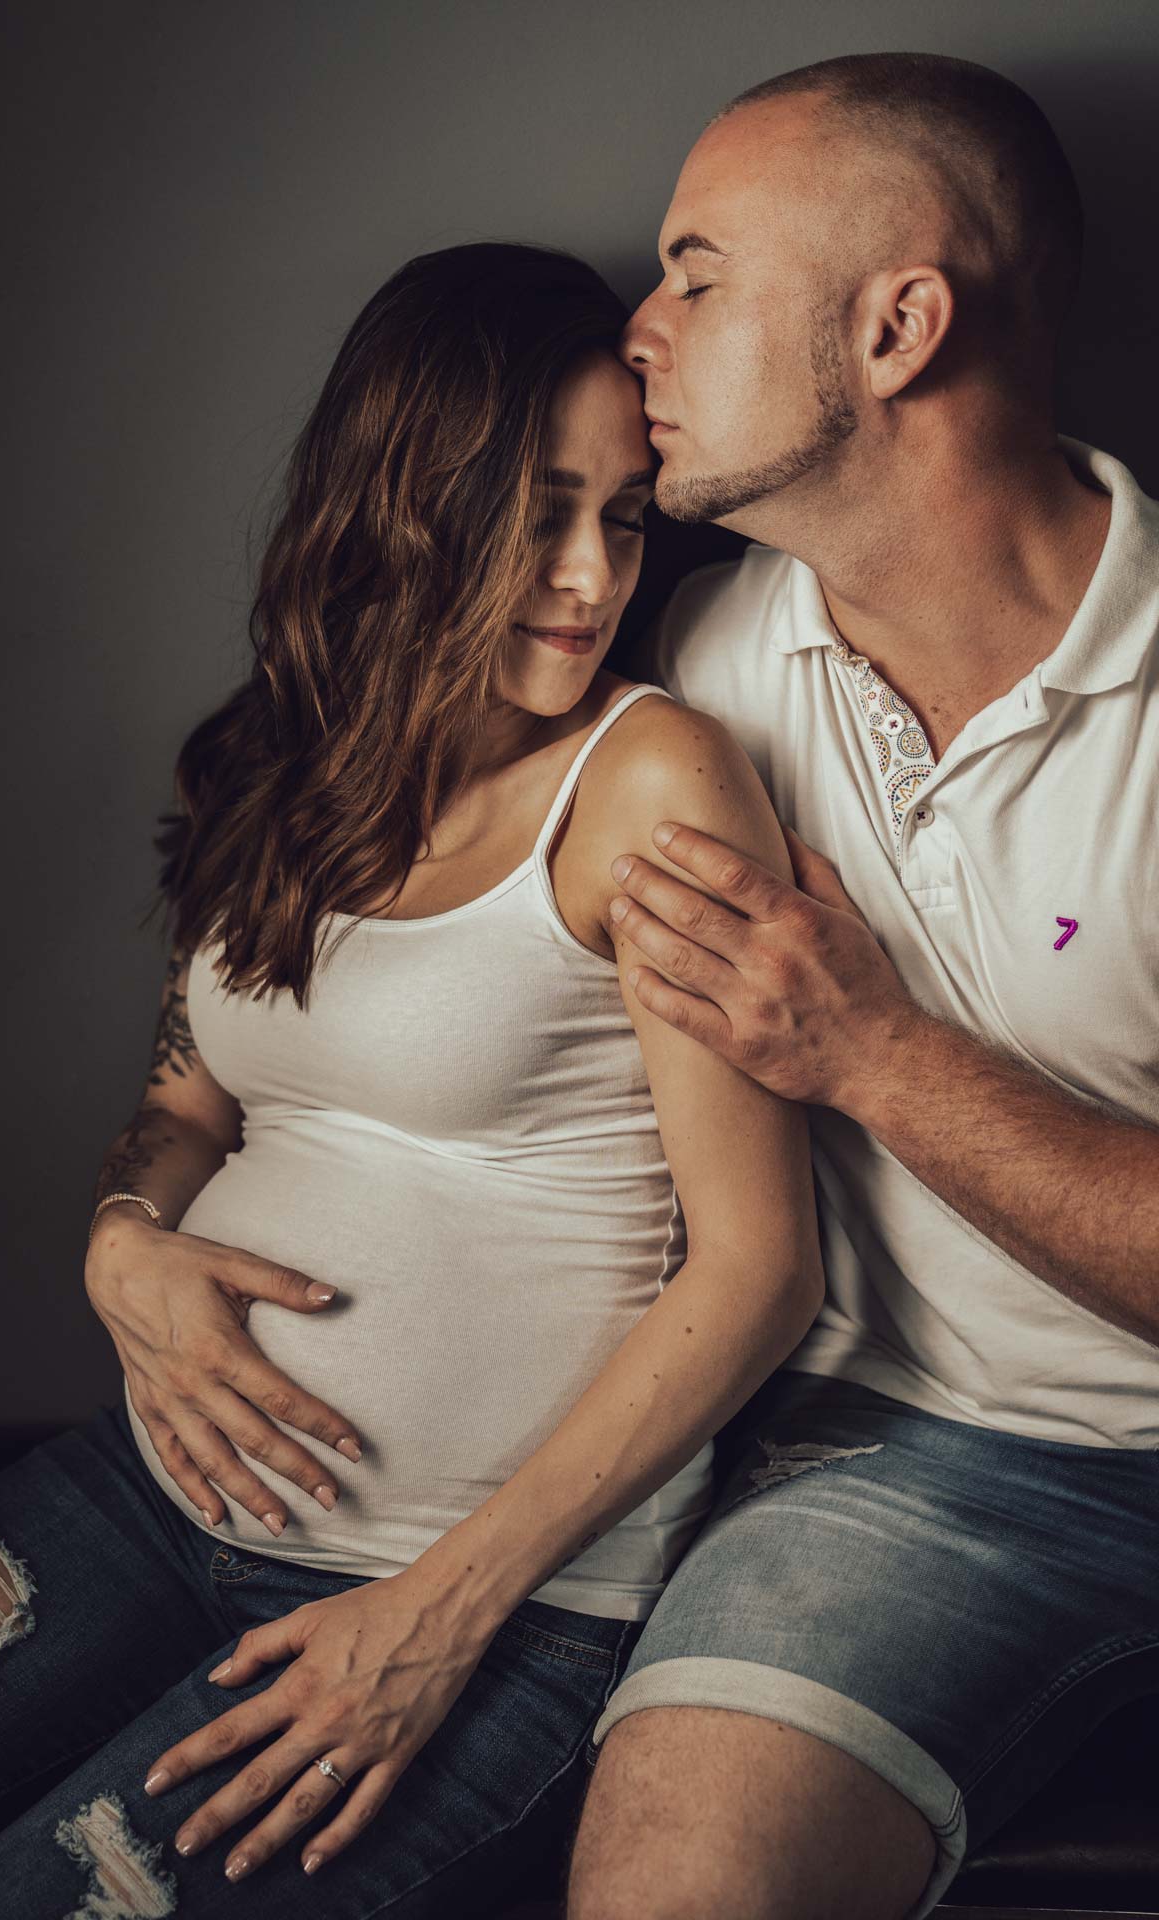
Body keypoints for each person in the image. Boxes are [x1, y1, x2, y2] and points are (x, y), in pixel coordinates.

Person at [0, 242, 824, 1918]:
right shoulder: (273, 759)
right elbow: (186, 1106)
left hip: (468, 1605)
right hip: (141, 1495)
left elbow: (761, 1271)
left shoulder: (647, 777)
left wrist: (440, 1617)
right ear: (406, 500)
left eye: (624, 515)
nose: (594, 575)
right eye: (540, 510)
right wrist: (119, 1246)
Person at [560, 51, 1159, 1920]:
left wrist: (875, 1055)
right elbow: (303, 835)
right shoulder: (693, 664)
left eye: (699, 271)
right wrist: (143, 1204)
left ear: (900, 327)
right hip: (917, 1466)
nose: (640, 328)